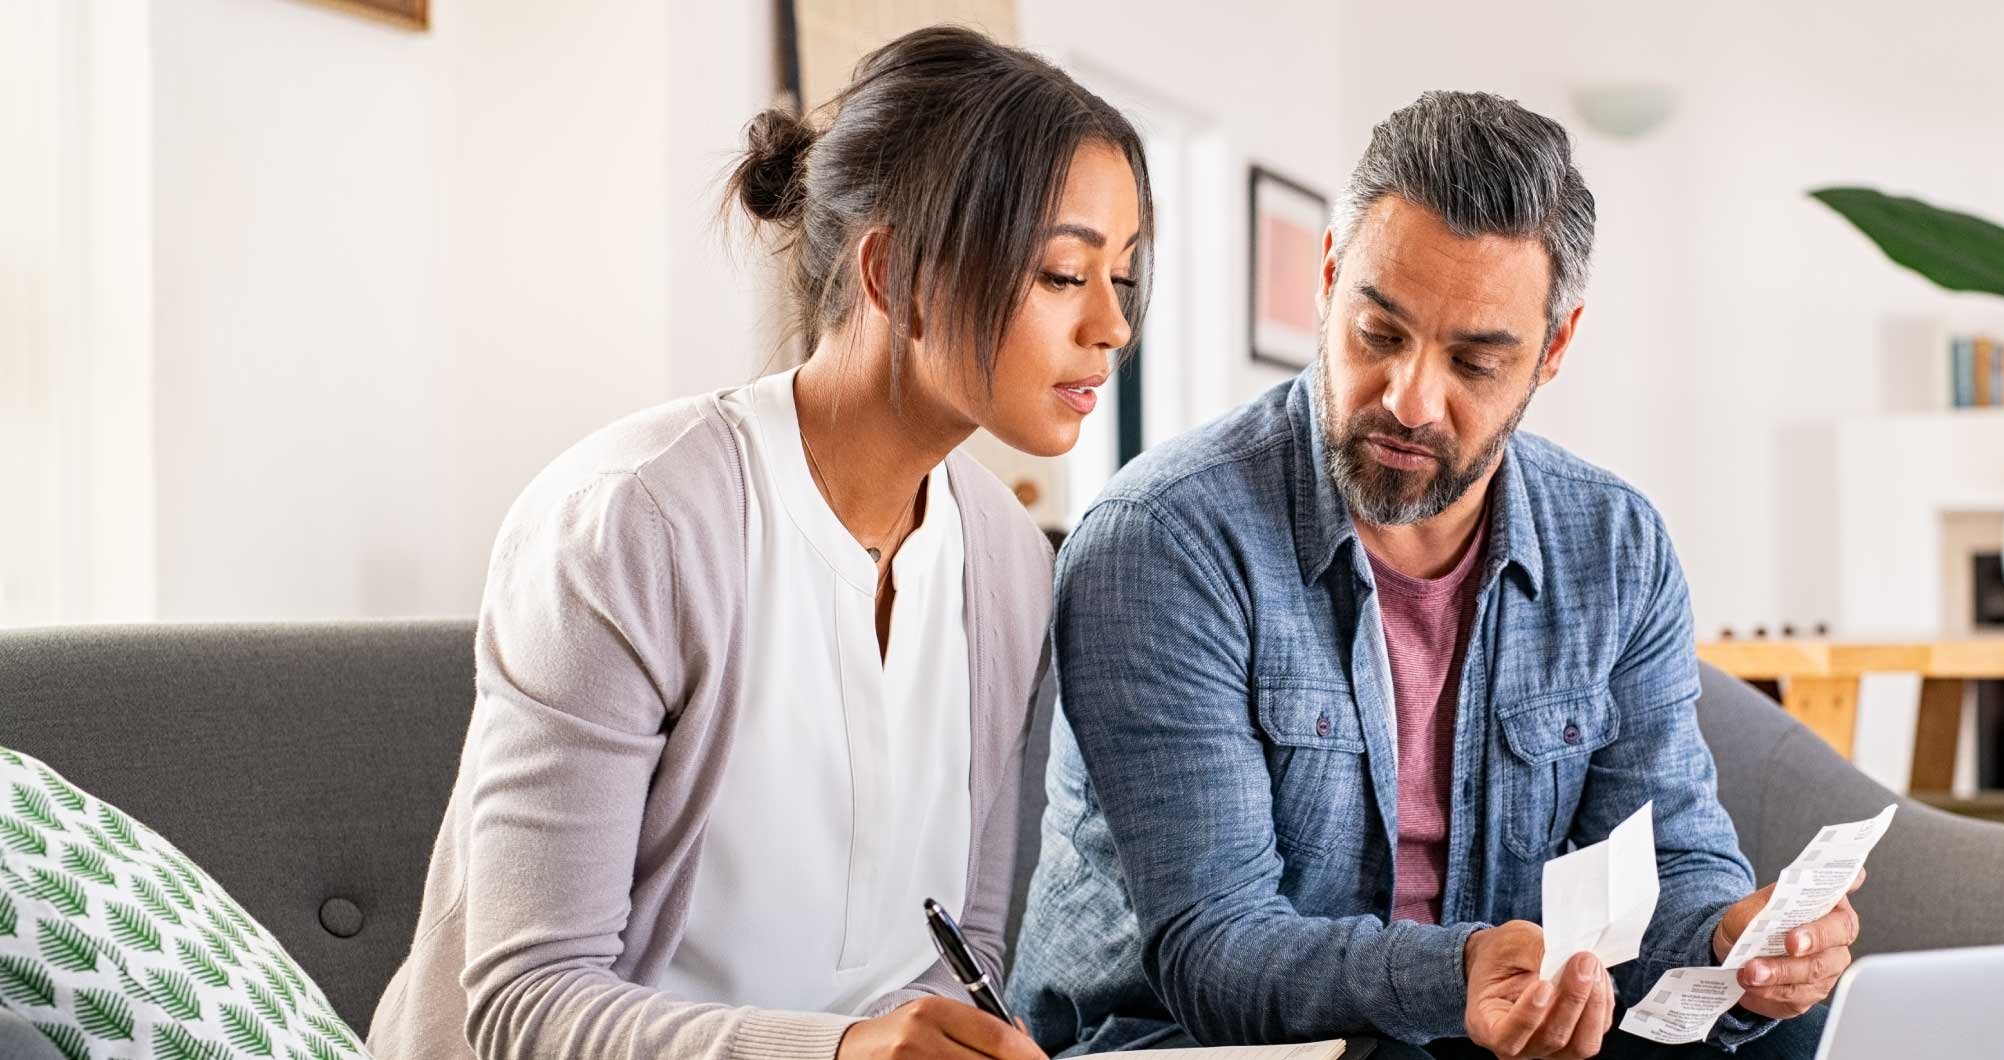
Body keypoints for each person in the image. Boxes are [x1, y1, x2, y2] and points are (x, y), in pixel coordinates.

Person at [1010, 91, 1857, 1060]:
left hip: (1484, 1026)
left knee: (1782, 1035)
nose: (1410, 397)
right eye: (1378, 334)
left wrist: (1729, 943)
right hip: (1207, 1038)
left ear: (1553, 347)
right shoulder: (1163, 539)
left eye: (1473, 360)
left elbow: (1664, 854)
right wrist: (1459, 973)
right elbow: (1216, 954)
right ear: (1329, 281)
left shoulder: (1614, 543)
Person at [371, 26, 1149, 1060]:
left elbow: (963, 949)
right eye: (1062, 274)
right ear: (893, 273)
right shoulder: (632, 524)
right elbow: (526, 1004)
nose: (1112, 327)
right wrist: (841, 1052)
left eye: (1123, 280)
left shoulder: (1007, 561)